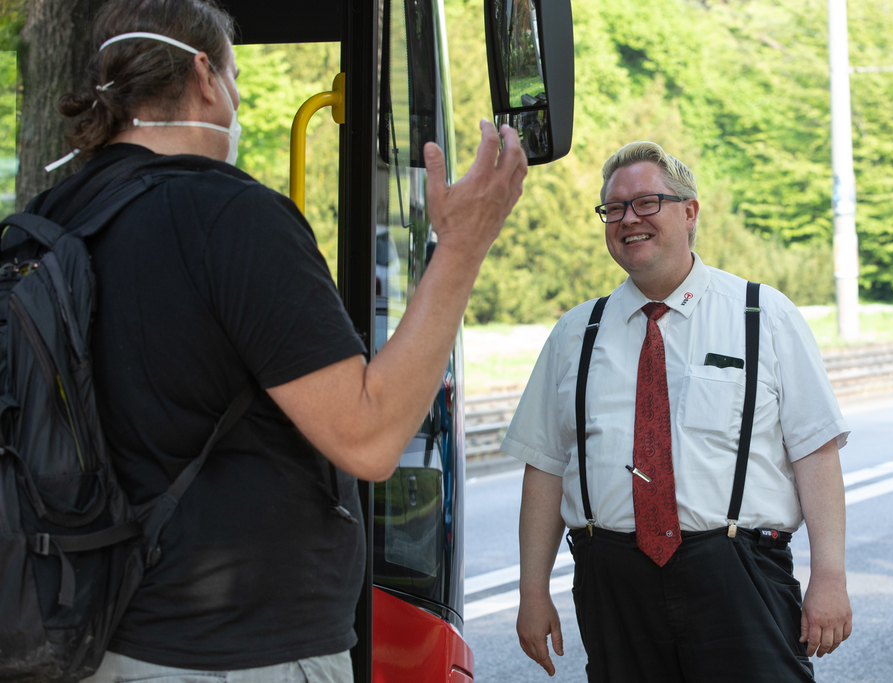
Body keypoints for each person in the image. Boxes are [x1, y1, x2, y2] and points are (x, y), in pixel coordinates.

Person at [36, 0, 525, 680]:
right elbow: (369, 436)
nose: (236, 100)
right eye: (234, 79)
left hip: (96, 641)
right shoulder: (234, 219)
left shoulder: (48, 221)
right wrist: (463, 244)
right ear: (205, 76)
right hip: (240, 655)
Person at [503, 141, 851, 681]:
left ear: (689, 213)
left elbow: (816, 451)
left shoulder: (763, 315)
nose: (628, 219)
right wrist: (532, 593)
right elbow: (545, 467)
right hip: (612, 580)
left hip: (739, 574)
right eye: (614, 208)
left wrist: (829, 576)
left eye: (646, 202)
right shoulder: (576, 333)